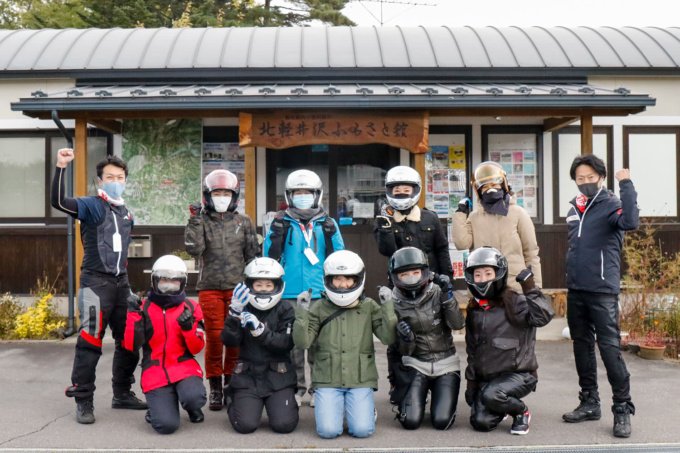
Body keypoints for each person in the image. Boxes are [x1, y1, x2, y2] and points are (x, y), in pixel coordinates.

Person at [52, 149, 147, 424]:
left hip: (121, 285)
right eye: (110, 176)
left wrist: (128, 288)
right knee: (90, 342)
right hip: (95, 284)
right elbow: (58, 201)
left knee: (131, 339)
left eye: (120, 176)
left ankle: (122, 394)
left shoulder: (125, 211)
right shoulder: (92, 205)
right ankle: (83, 399)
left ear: (125, 180)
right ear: (100, 181)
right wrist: (61, 166)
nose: (115, 180)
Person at [562, 155, 639, 438]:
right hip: (577, 289)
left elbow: (631, 221)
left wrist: (626, 184)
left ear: (601, 178)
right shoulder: (575, 207)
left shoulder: (612, 204)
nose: (585, 183)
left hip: (603, 290)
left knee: (609, 349)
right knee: (581, 347)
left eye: (590, 178)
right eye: (580, 179)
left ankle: (622, 408)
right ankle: (589, 402)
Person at [292, 250, 397, 439]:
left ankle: (364, 410)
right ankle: (341, 407)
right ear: (328, 280)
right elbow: (302, 342)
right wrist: (302, 313)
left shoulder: (369, 306)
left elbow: (388, 338)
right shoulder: (319, 307)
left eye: (348, 279)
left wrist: (388, 306)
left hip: (360, 378)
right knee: (328, 431)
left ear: (358, 279)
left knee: (362, 430)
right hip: (327, 378)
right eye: (337, 279)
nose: (343, 284)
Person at [264, 169, 345, 407]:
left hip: (320, 292)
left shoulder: (327, 224)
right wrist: (276, 234)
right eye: (297, 193)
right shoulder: (281, 222)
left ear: (317, 195)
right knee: (294, 347)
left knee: (320, 345)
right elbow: (270, 255)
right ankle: (296, 388)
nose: (302, 197)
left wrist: (331, 236)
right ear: (289, 196)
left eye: (307, 193)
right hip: (289, 293)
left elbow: (339, 257)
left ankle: (318, 387)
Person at [373, 165, 454, 401]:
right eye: (395, 189)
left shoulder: (429, 217)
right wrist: (386, 226)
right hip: (400, 287)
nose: (400, 192)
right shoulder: (383, 218)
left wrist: (448, 280)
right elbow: (385, 250)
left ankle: (437, 381)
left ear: (415, 190)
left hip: (431, 286)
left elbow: (441, 249)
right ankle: (397, 382)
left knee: (435, 331)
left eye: (405, 189)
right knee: (399, 335)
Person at [185, 169, 259, 411]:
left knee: (236, 338)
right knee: (215, 339)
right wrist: (195, 219)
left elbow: (252, 254)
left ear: (234, 195)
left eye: (226, 192)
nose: (222, 196)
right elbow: (194, 249)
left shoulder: (244, 221)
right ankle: (215, 387)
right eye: (217, 192)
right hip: (210, 288)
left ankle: (232, 384)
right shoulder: (202, 220)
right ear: (208, 195)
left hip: (238, 288)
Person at [463, 247, 554, 435]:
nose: (482, 279)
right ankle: (501, 406)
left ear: (499, 274)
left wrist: (530, 288)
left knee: (492, 395)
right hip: (489, 378)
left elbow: (542, 317)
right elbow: (472, 350)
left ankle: (521, 411)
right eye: (477, 275)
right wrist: (471, 381)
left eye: (488, 274)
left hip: (519, 374)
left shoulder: (514, 301)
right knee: (481, 422)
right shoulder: (474, 309)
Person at [124, 255, 207, 434]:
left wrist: (188, 328)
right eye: (164, 279)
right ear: (154, 281)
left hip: (183, 366)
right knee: (165, 426)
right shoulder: (143, 307)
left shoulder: (191, 307)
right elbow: (131, 346)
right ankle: (158, 407)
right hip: (155, 369)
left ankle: (191, 406)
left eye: (174, 280)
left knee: (195, 397)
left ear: (182, 282)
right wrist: (133, 314)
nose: (168, 284)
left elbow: (197, 348)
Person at [387, 247, 465, 431]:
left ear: (425, 271)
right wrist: (406, 339)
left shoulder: (438, 292)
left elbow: (457, 325)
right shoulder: (392, 303)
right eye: (405, 274)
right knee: (411, 421)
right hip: (416, 364)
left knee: (442, 422)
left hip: (446, 362)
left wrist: (449, 298)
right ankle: (415, 398)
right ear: (396, 276)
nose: (412, 278)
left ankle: (438, 399)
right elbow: (401, 351)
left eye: (416, 272)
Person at [220, 258, 299, 434]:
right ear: (249, 285)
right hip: (247, 377)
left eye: (269, 285)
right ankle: (233, 397)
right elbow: (229, 341)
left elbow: (286, 344)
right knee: (245, 425)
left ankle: (285, 404)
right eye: (258, 285)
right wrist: (234, 313)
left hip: (279, 377)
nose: (263, 289)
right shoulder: (242, 307)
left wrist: (262, 332)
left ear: (277, 286)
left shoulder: (285, 308)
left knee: (284, 425)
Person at [452, 161, 542, 288]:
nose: (490, 189)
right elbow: (462, 243)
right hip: (484, 286)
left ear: (503, 185)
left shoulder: (518, 213)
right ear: (479, 191)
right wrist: (460, 213)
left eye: (494, 184)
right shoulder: (474, 217)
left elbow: (531, 253)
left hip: (514, 285)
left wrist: (535, 288)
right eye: (485, 186)